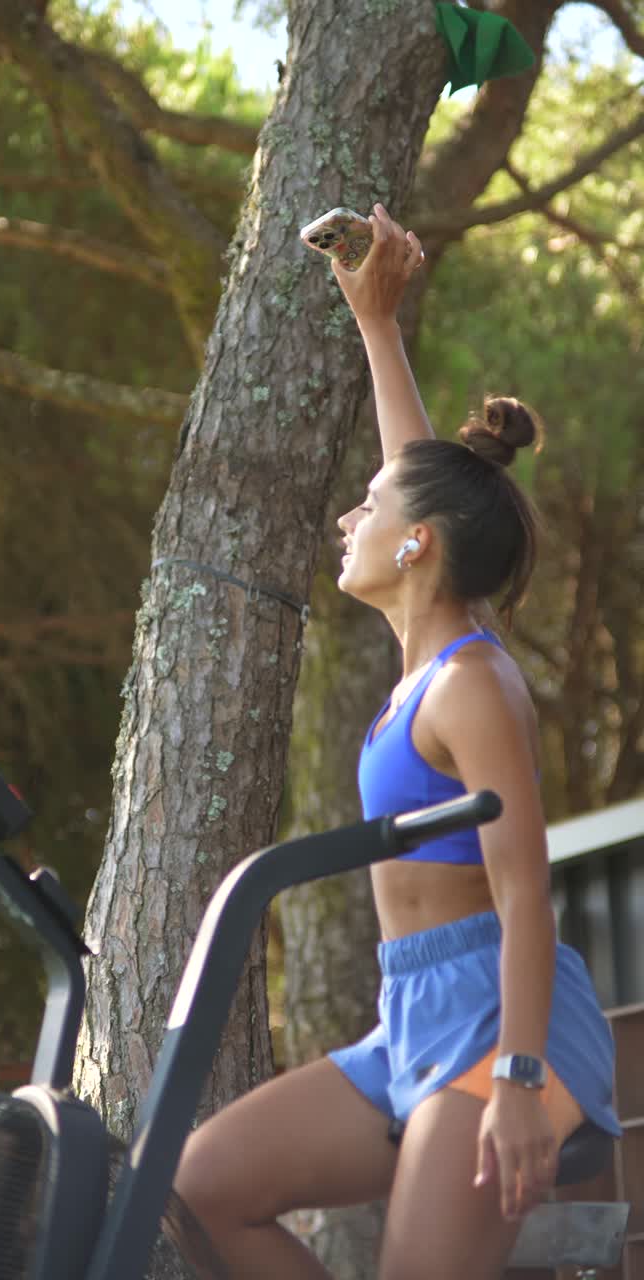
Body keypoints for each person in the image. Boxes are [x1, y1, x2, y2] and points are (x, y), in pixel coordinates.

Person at [173, 204, 620, 1280]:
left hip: (503, 1026)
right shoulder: (427, 656)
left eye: (366, 507)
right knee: (198, 1188)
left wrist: (518, 1076)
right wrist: (375, 323)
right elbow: (415, 473)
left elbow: (526, 892)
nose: (348, 519)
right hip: (409, 1016)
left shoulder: (472, 685)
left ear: (415, 545)